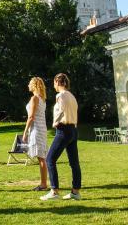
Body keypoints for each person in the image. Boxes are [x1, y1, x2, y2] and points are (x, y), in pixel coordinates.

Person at [40, 73, 82, 201]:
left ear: (58, 82)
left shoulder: (61, 95)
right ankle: (75, 192)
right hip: (73, 130)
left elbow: (62, 109)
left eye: (54, 83)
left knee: (50, 159)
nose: (54, 86)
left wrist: (55, 122)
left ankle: (54, 191)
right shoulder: (72, 96)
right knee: (74, 162)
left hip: (63, 130)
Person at [22, 77, 48, 191]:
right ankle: (43, 183)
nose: (28, 85)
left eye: (29, 84)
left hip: (37, 129)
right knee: (42, 157)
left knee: (41, 158)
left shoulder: (35, 99)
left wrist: (25, 132)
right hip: (42, 129)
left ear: (34, 85)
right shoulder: (42, 99)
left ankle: (43, 184)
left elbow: (31, 117)